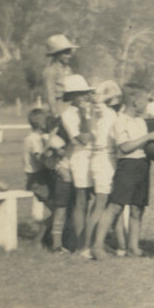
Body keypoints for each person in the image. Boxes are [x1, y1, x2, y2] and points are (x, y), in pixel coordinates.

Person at [92, 83, 154, 259]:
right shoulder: (120, 121)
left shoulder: (140, 121)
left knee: (138, 208)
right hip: (127, 166)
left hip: (142, 165)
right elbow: (124, 147)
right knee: (116, 206)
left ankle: (133, 247)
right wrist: (148, 137)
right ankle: (97, 246)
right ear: (135, 100)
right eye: (145, 100)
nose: (147, 104)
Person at [79, 80, 123, 259]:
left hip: (106, 158)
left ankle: (106, 243)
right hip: (103, 158)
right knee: (100, 204)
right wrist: (104, 93)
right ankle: (87, 247)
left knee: (107, 203)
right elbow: (99, 100)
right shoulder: (102, 110)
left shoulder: (105, 112)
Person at [58, 74, 95, 250]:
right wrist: (85, 116)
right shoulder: (68, 114)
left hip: (96, 156)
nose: (84, 96)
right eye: (79, 93)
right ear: (71, 96)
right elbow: (83, 139)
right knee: (81, 200)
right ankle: (81, 244)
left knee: (98, 199)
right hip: (80, 158)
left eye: (85, 93)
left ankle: (92, 239)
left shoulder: (92, 109)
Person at [22, 108, 52, 244]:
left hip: (37, 178)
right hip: (38, 179)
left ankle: (46, 236)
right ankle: (39, 238)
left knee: (60, 209)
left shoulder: (31, 137)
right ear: (43, 125)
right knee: (60, 210)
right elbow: (39, 158)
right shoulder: (35, 140)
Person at [42, 34, 76, 117]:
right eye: (66, 54)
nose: (69, 56)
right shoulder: (51, 71)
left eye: (69, 53)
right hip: (59, 108)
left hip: (71, 107)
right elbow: (50, 95)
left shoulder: (68, 69)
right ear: (57, 54)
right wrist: (55, 113)